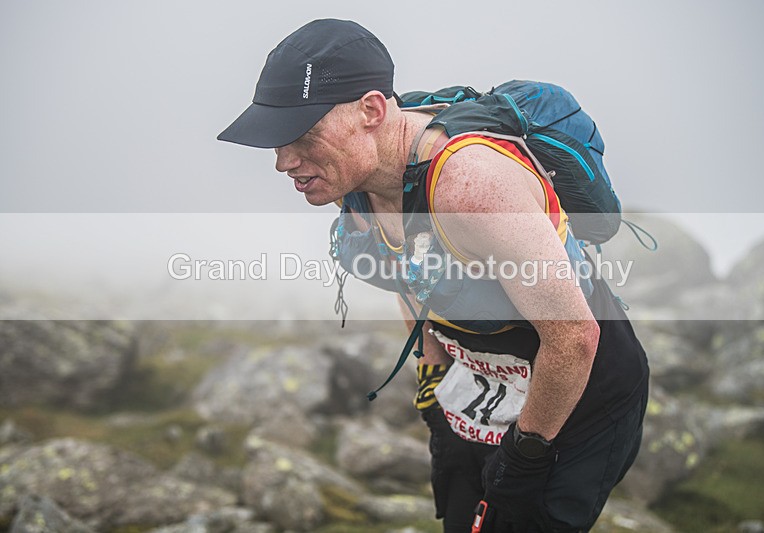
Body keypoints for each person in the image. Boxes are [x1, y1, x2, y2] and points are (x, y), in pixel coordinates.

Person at [218, 18, 649, 533]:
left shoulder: (472, 189)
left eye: (303, 135)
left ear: (372, 111)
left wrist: (528, 452)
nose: (283, 161)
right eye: (275, 139)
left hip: (577, 388)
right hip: (481, 380)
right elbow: (412, 276)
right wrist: (433, 377)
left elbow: (574, 337)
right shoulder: (360, 182)